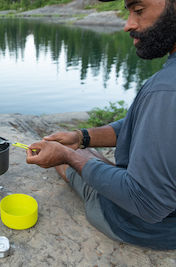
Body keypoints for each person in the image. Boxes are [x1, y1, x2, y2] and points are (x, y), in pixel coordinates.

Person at [26, 0, 176, 250]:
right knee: (84, 152)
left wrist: (68, 155)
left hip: (145, 224)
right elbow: (136, 123)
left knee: (73, 159)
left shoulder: (165, 90)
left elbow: (146, 203)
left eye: (138, 10)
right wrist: (81, 137)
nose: (128, 25)